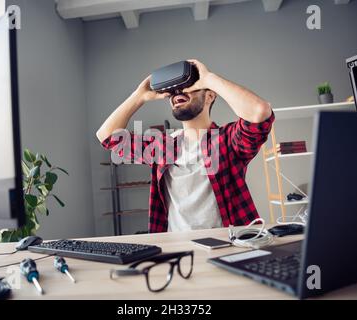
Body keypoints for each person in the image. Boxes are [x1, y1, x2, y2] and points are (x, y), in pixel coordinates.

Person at [96, 59, 274, 233]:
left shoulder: (228, 140)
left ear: (210, 96)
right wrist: (139, 96)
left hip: (228, 246)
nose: (178, 92)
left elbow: (260, 112)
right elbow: (106, 136)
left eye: (189, 87)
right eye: (173, 91)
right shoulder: (161, 147)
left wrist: (209, 79)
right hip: (177, 247)